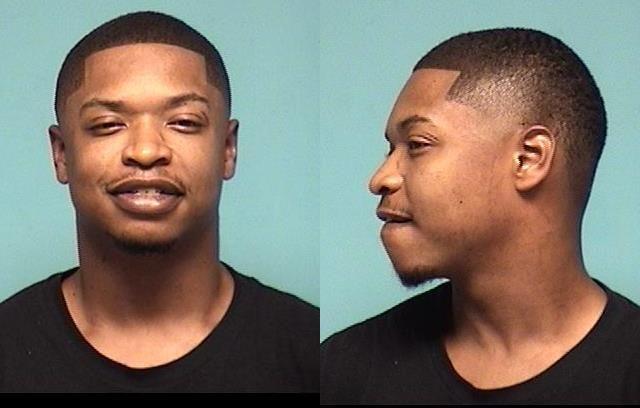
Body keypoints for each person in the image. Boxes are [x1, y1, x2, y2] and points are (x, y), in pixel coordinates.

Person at [0, 11, 317, 393]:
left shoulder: (312, 356)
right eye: (107, 125)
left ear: (227, 149)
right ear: (61, 154)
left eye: (184, 122)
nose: (146, 151)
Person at [321, 28, 640, 404]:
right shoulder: (343, 372)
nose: (381, 178)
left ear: (528, 159)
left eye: (418, 144)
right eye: (391, 149)